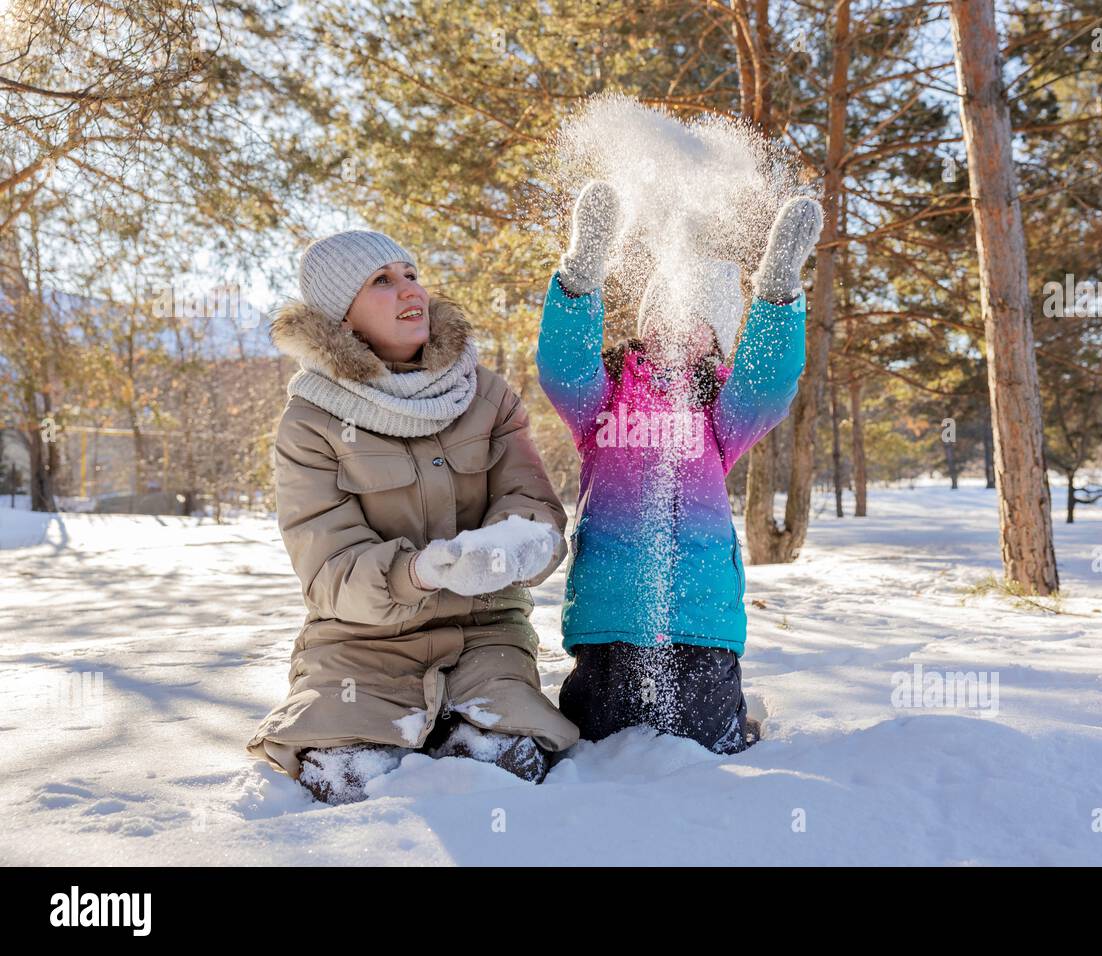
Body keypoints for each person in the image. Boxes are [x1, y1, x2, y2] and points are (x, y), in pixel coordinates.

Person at [246, 230, 579, 803]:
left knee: (508, 762)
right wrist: (423, 571)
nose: (411, 290)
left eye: (411, 273)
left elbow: (533, 504)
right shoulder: (310, 423)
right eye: (382, 280)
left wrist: (518, 545)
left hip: (484, 633)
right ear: (341, 319)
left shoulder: (487, 395)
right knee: (347, 776)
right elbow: (329, 572)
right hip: (359, 644)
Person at [536, 182, 823, 754]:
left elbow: (767, 387)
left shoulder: (720, 409)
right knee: (596, 750)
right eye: (672, 314)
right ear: (647, 320)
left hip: (701, 622)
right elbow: (562, 366)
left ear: (718, 342)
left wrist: (776, 296)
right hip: (607, 620)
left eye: (702, 323)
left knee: (702, 751)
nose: (683, 329)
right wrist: (579, 279)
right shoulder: (606, 395)